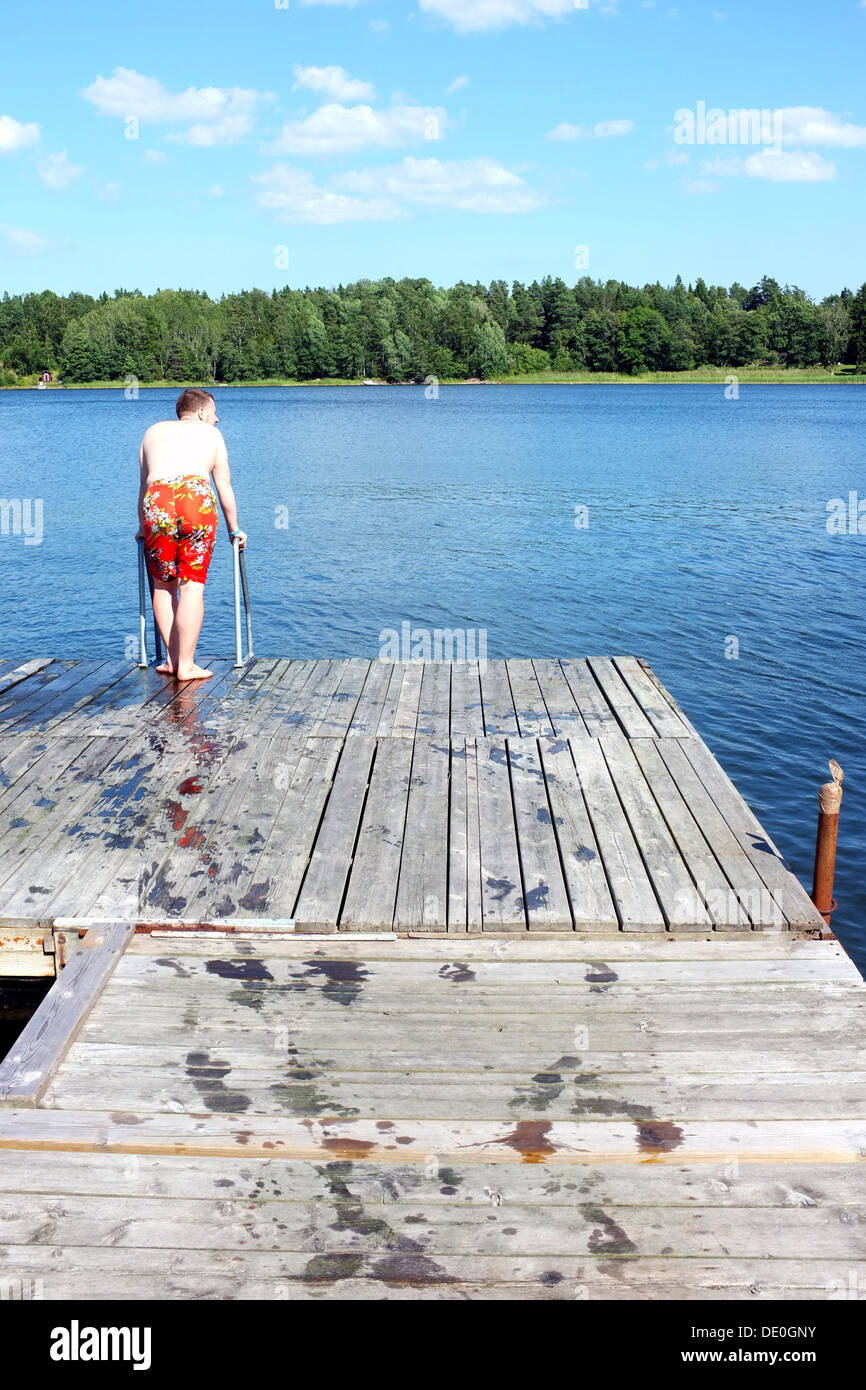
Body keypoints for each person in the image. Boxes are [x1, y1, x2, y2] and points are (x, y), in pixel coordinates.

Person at [136, 388, 247, 681]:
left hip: (157, 499)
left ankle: (173, 662)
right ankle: (187, 664)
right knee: (192, 586)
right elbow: (224, 486)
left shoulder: (152, 432)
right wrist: (233, 529)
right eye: (214, 414)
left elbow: (142, 489)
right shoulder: (210, 435)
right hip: (194, 497)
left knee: (163, 585)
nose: (217, 419)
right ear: (200, 413)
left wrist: (141, 527)